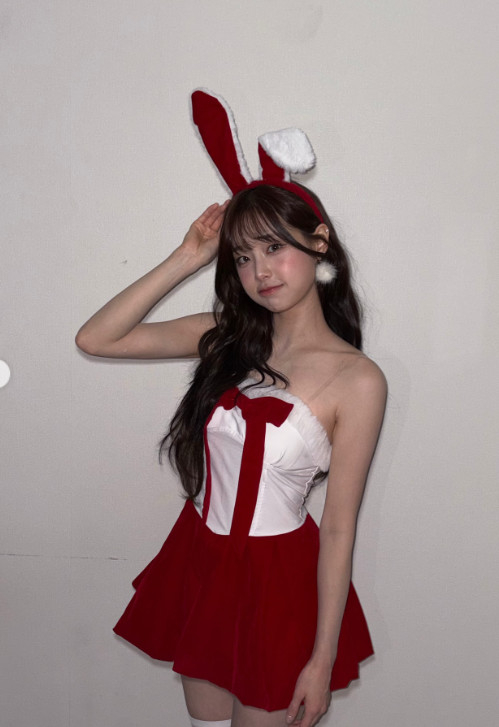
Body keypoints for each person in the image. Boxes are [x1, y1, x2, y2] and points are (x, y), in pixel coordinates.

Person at [75, 91, 387, 727]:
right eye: (242, 256)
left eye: (273, 247)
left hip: (280, 584)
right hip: (201, 563)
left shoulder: (358, 380)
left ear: (319, 242)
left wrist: (322, 657)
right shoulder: (225, 336)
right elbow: (97, 338)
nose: (259, 270)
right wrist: (188, 257)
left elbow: (338, 527)